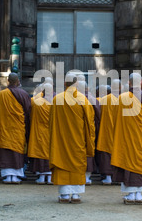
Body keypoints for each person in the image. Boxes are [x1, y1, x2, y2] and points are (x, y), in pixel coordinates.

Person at [111, 73, 142, 205]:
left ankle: (130, 194)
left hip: (125, 139)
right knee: (140, 163)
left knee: (128, 163)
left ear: (130, 83)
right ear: (141, 84)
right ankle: (138, 194)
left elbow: (116, 119)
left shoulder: (121, 98)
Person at [49, 73, 96, 203]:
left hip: (61, 140)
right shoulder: (83, 100)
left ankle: (64, 195)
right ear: (76, 84)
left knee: (62, 161)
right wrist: (89, 139)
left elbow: (51, 122)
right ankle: (76, 195)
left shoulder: (56, 99)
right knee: (77, 164)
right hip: (78, 140)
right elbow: (90, 123)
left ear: (65, 83)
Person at [0, 73, 31, 184]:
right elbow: (28, 111)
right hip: (18, 128)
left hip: (5, 127)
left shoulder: (2, 94)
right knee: (17, 151)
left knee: (6, 151)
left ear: (8, 81)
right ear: (18, 81)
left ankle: (7, 176)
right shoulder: (23, 93)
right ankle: (16, 176)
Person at [96, 79, 121, 185]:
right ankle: (119, 178)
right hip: (120, 131)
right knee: (119, 153)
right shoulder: (124, 99)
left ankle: (108, 177)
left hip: (106, 130)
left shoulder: (103, 100)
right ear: (120, 88)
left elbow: (98, 115)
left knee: (106, 155)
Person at [28, 82, 53, 185]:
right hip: (51, 133)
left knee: (40, 153)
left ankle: (41, 177)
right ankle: (50, 177)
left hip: (39, 132)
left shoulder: (35, 102)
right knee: (50, 153)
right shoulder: (55, 103)